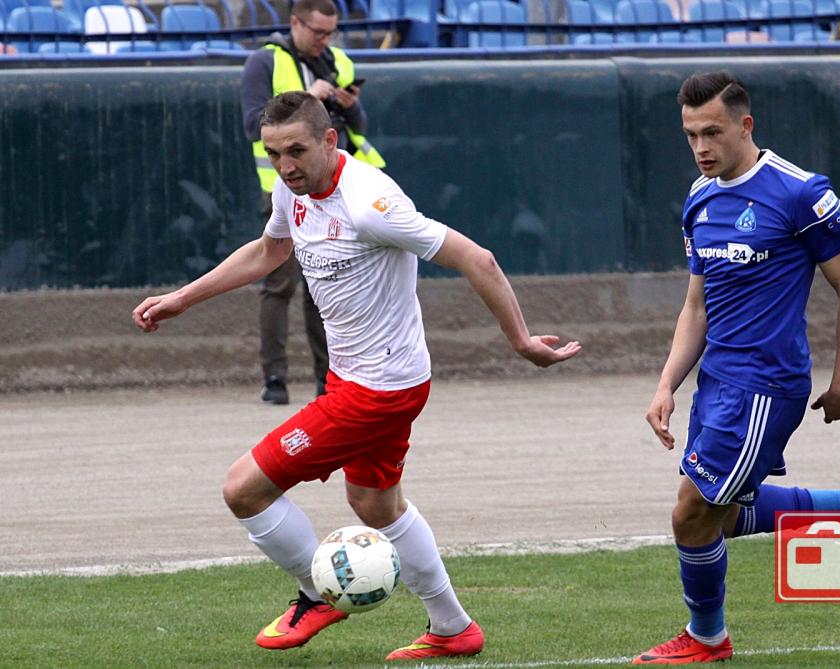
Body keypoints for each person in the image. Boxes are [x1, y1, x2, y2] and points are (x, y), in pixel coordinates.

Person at [132, 91, 581, 660]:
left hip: (380, 389)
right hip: (359, 378)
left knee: (243, 489)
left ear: (329, 140)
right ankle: (453, 627)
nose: (285, 166)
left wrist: (521, 341)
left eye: (296, 151)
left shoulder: (370, 203)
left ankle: (318, 593)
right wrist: (183, 298)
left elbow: (478, 258)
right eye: (273, 154)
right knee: (375, 504)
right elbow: (270, 250)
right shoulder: (292, 188)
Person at [631, 71, 840, 665]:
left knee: (690, 514)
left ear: (745, 125)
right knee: (721, 517)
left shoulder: (800, 193)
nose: (701, 147)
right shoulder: (699, 198)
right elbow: (697, 306)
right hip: (717, 383)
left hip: (764, 387)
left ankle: (707, 638)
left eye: (712, 132)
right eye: (691, 135)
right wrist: (666, 384)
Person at [240, 0, 386, 404]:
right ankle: (275, 380)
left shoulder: (338, 60)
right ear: (295, 23)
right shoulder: (264, 62)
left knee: (328, 286)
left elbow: (359, 127)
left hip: (341, 191)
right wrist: (309, 98)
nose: (325, 40)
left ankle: (330, 380)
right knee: (278, 285)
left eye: (330, 32)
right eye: (318, 32)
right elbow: (252, 125)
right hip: (285, 192)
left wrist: (351, 106)